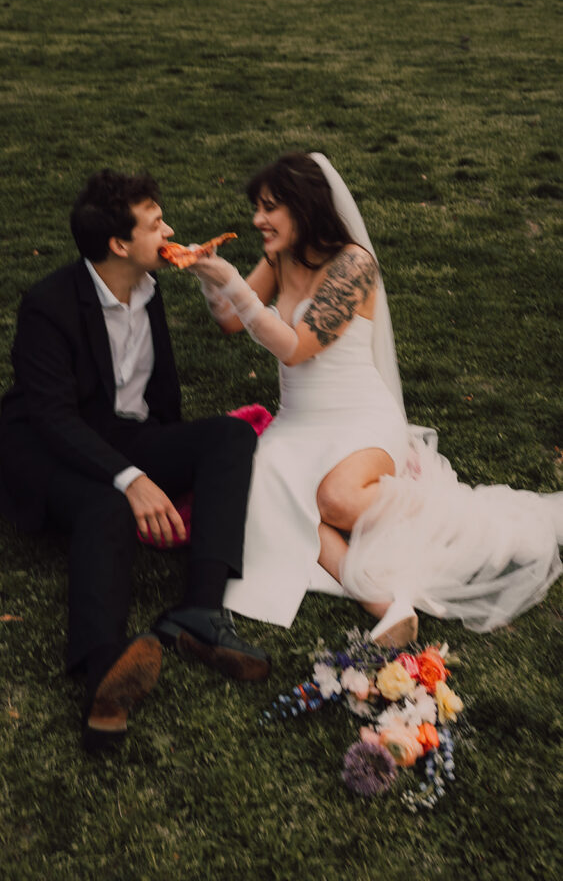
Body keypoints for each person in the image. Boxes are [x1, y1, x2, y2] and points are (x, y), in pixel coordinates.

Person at [189, 152, 562, 646]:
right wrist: (206, 274)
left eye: (269, 207)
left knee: (336, 499)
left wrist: (233, 282)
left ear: (303, 207)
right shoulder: (280, 257)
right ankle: (387, 606)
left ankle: (452, 515)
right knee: (270, 496)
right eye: (258, 207)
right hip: (296, 422)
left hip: (359, 417)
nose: (257, 219)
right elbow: (230, 320)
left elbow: (297, 348)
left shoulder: (353, 265)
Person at [0, 167, 270, 753]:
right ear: (119, 245)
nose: (168, 227)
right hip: (49, 449)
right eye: (154, 223)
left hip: (126, 432)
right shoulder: (48, 304)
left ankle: (199, 611)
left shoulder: (147, 286)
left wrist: (161, 459)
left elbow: (155, 395)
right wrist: (134, 478)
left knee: (230, 438)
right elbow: (51, 418)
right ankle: (103, 673)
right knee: (108, 507)